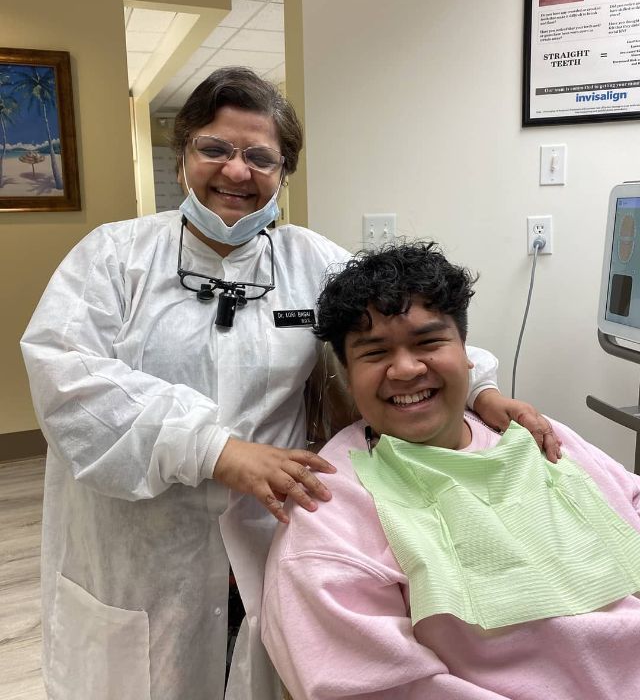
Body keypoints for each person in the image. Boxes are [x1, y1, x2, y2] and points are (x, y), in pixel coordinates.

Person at [21, 68, 555, 700]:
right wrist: (215, 450)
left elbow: (401, 334)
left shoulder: (312, 262)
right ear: (183, 152)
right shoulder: (112, 257)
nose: (236, 172)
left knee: (259, 671)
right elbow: (68, 379)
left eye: (260, 158)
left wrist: (479, 392)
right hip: (137, 545)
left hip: (267, 533)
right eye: (215, 149)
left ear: (283, 172)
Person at [262, 241, 640, 700]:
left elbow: (629, 502)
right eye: (375, 353)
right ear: (346, 372)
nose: (404, 369)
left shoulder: (535, 436)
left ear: (468, 354)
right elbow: (367, 685)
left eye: (428, 342)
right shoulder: (333, 511)